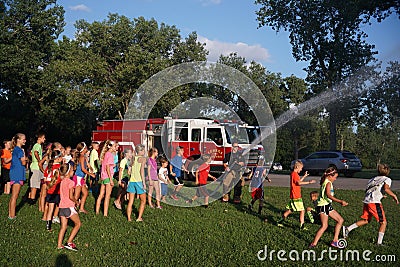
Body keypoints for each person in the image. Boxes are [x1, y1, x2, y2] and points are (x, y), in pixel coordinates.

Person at [342, 164, 399, 245]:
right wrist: (394, 195)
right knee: (383, 222)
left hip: (367, 201)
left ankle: (348, 229)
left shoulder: (372, 179)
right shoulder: (387, 179)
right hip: (374, 202)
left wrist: (381, 195)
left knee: (366, 220)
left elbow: (370, 190)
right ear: (388, 172)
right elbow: (386, 189)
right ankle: (379, 243)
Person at [309, 167, 348, 248]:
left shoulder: (326, 181)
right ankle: (313, 244)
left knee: (340, 220)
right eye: (335, 177)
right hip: (323, 206)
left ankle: (335, 241)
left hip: (327, 205)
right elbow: (329, 195)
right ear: (330, 176)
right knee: (324, 226)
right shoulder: (328, 183)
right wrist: (340, 201)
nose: (335, 179)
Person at [277, 160, 316, 229]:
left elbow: (298, 181)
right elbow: (299, 183)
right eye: (301, 168)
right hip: (296, 196)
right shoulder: (295, 174)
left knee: (291, 210)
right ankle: (302, 226)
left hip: (294, 195)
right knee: (302, 210)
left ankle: (280, 221)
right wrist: (309, 182)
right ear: (297, 167)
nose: (301, 170)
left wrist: (304, 176)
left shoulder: (294, 174)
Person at [57, 163, 81, 251]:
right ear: (68, 172)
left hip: (61, 207)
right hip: (69, 206)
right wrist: (76, 201)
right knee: (78, 224)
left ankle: (59, 245)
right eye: (72, 170)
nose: (73, 172)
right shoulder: (71, 182)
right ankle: (69, 242)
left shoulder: (62, 182)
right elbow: (71, 196)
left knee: (63, 227)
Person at [95, 140, 117, 217]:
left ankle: (97, 211)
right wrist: (111, 179)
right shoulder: (110, 155)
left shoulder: (105, 154)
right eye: (115, 146)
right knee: (107, 196)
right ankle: (105, 214)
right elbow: (107, 167)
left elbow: (105, 166)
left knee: (101, 195)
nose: (116, 148)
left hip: (103, 177)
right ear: (110, 146)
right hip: (108, 177)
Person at [8, 133, 27, 219]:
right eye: (23, 139)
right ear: (18, 140)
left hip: (14, 173)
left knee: (13, 196)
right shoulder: (19, 150)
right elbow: (23, 162)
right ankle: (12, 215)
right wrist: (24, 155)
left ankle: (11, 213)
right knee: (15, 196)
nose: (25, 141)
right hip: (17, 174)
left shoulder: (15, 149)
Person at [43, 150, 63, 231]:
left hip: (50, 191)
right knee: (60, 206)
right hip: (57, 191)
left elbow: (45, 179)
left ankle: (48, 226)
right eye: (61, 157)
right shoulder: (59, 168)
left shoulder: (48, 167)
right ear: (58, 158)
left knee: (50, 208)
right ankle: (62, 221)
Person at [126, 144, 147, 222]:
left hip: (131, 181)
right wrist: (144, 183)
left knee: (130, 201)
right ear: (140, 151)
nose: (144, 152)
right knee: (143, 201)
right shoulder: (143, 159)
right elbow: (142, 171)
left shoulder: (133, 158)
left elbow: (129, 172)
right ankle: (139, 218)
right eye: (144, 150)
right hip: (139, 181)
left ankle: (129, 218)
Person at [73, 142, 95, 214]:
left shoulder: (84, 157)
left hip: (81, 178)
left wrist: (91, 168)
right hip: (78, 178)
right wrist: (90, 174)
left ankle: (81, 208)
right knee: (76, 196)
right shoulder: (82, 157)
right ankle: (71, 209)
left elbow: (87, 165)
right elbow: (83, 169)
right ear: (84, 149)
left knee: (85, 193)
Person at [28, 132, 46, 205]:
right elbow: (35, 153)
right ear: (39, 138)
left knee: (33, 184)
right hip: (36, 166)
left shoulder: (35, 145)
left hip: (33, 165)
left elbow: (31, 153)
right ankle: (32, 200)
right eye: (43, 138)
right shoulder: (38, 145)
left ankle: (30, 197)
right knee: (35, 185)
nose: (44, 139)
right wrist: (39, 160)